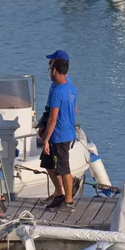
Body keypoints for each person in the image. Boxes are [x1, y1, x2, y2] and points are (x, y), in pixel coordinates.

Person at [40, 58, 78, 211]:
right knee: (47, 164)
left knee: (63, 168)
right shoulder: (71, 88)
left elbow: (53, 118)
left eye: (50, 69)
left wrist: (46, 139)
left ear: (55, 70)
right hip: (65, 132)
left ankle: (68, 202)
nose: (50, 72)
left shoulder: (57, 91)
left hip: (60, 136)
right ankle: (60, 193)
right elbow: (74, 110)